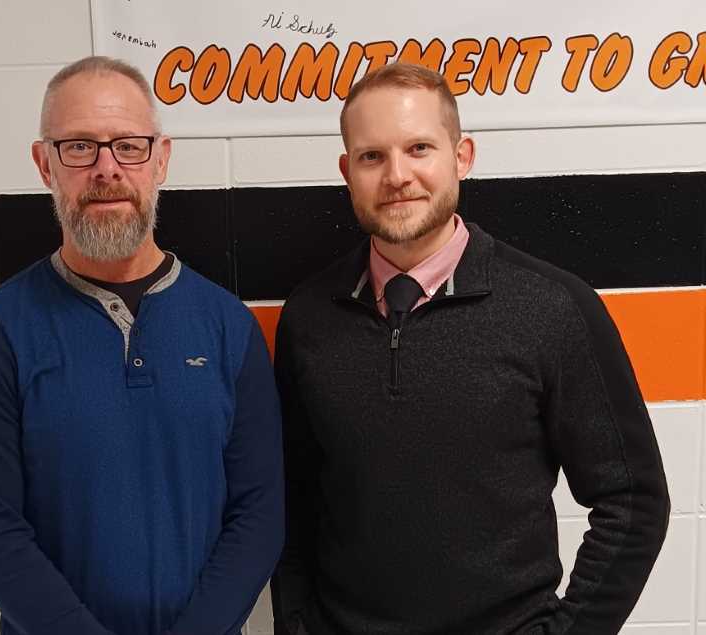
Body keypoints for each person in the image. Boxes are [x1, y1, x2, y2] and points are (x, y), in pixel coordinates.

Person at [271, 63, 669, 635]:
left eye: (419, 148)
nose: (397, 175)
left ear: (462, 157)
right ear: (346, 171)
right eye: (371, 156)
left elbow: (633, 500)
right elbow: (292, 499)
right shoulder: (308, 315)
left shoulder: (554, 307)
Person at [0, 55, 283, 635]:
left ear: (162, 160)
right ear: (44, 164)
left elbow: (259, 517)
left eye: (129, 145)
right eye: (78, 147)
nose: (107, 168)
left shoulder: (228, 326)